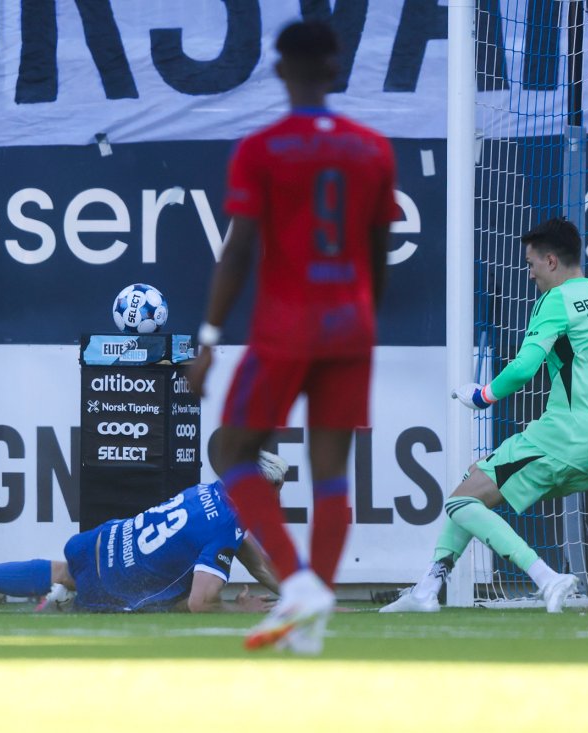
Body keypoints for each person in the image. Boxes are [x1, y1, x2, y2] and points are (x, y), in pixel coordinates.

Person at [186, 19, 396, 654]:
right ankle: (312, 612)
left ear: (279, 70)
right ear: (336, 68)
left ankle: (299, 581)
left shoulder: (262, 148)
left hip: (285, 325)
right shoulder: (372, 149)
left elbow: (239, 250)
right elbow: (379, 251)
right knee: (332, 474)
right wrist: (365, 323)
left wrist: (208, 336)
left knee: (236, 451)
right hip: (350, 327)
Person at [381, 217, 588, 613]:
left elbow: (524, 368)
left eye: (531, 264)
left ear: (552, 261)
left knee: (459, 502)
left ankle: (546, 578)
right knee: (475, 482)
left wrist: (483, 395)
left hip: (565, 436)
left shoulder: (557, 300)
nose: (530, 273)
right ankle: (427, 587)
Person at [0, 453, 288, 614]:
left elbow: (258, 564)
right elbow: (198, 604)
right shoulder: (229, 521)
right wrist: (240, 610)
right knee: (178, 602)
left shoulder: (212, 491)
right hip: (116, 583)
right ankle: (66, 600)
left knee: (64, 571)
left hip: (101, 541)